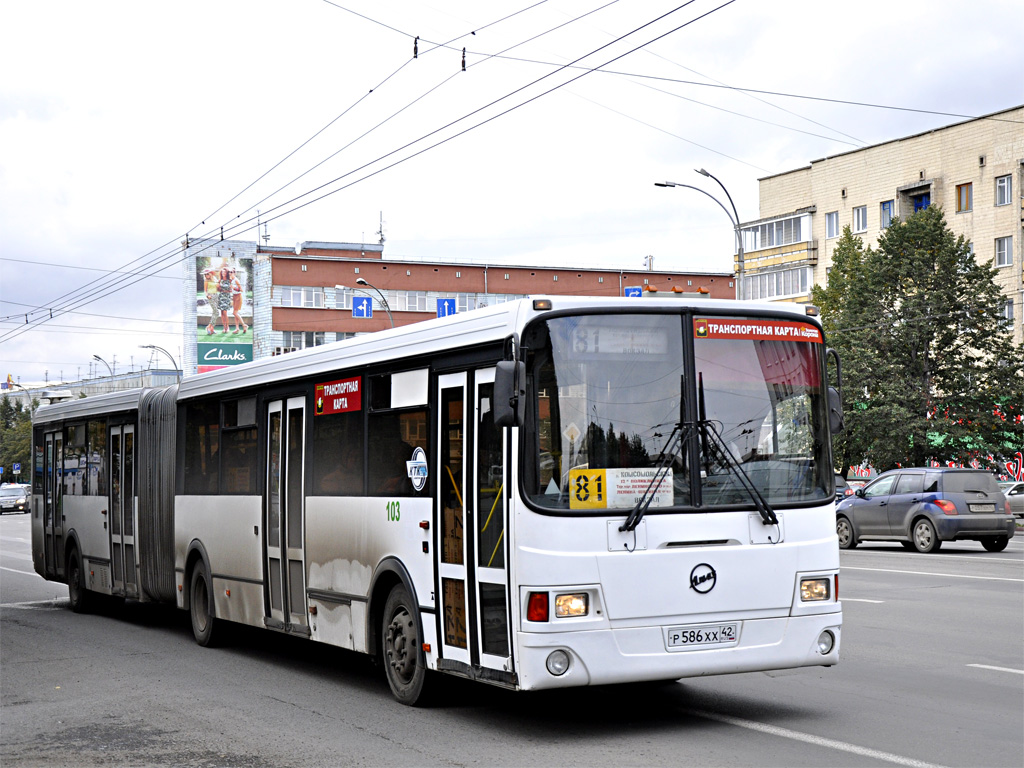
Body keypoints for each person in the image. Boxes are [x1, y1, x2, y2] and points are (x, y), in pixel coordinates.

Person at [229, 268, 248, 334]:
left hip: (238, 297)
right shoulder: (232, 280)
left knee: (235, 313)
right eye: (229, 272)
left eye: (231, 272)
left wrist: (233, 288)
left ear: (234, 273)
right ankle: (237, 328)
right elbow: (233, 289)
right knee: (235, 313)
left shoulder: (236, 280)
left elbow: (241, 289)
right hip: (234, 296)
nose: (230, 273)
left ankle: (244, 325)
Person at [216, 267, 233, 335]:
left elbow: (231, 290)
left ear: (227, 273)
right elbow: (218, 290)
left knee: (225, 312)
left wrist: (226, 290)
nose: (223, 273)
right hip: (221, 297)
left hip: (227, 297)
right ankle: (224, 327)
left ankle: (227, 327)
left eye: (225, 272)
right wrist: (218, 288)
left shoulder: (230, 280)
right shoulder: (220, 280)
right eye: (222, 272)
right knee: (222, 313)